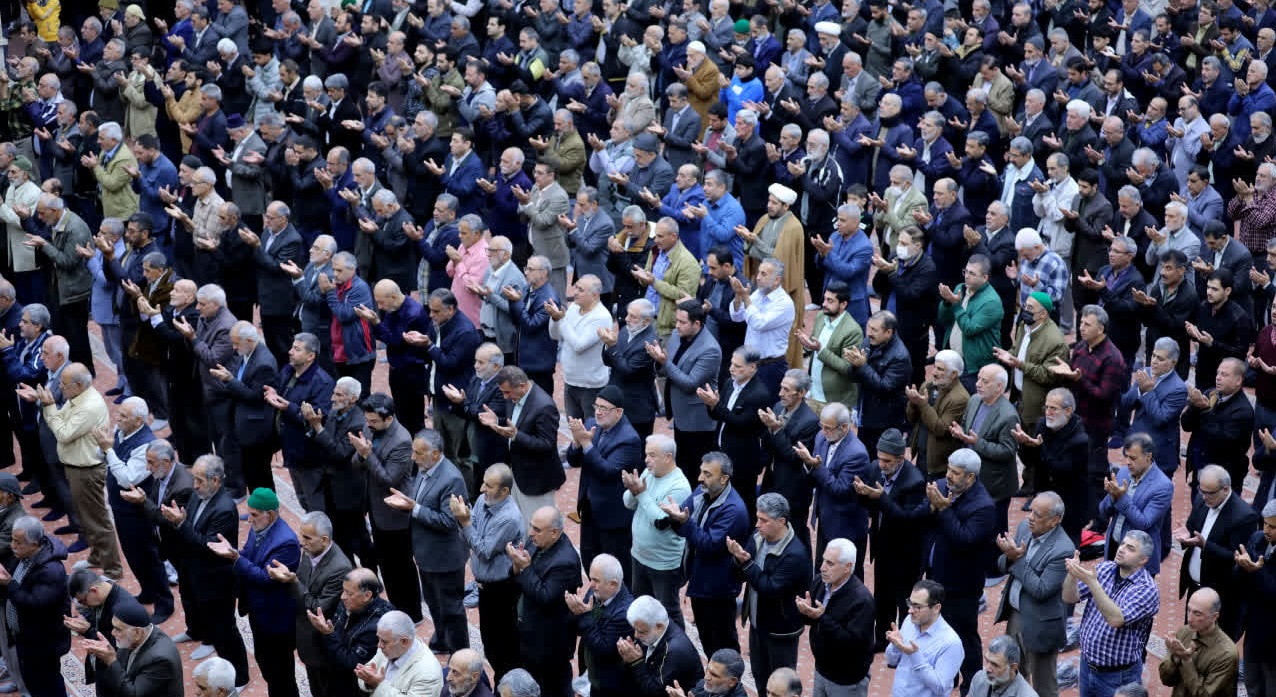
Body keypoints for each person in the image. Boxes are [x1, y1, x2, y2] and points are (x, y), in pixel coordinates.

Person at [383, 429, 470, 655]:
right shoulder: (425, 469)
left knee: (452, 610)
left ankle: (460, 653)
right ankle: (442, 639)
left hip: (445, 559)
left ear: (435, 454)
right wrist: (408, 504)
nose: (413, 457)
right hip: (426, 554)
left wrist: (414, 508)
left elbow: (449, 521)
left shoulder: (451, 479)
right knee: (434, 604)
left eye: (418, 453)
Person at [207, 487, 301, 697]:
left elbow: (266, 578)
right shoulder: (259, 526)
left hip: (277, 620)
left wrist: (236, 558)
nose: (249, 519)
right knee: (267, 666)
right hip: (259, 613)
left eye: (255, 515)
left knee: (281, 675)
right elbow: (249, 554)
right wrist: (233, 552)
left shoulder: (286, 543)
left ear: (271, 514)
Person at [923, 449, 997, 695]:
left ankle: (972, 686)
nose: (948, 476)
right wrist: (932, 508)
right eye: (948, 469)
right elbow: (924, 518)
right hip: (936, 575)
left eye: (955, 473)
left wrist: (944, 510)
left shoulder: (983, 506)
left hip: (962, 585)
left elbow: (964, 539)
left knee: (964, 637)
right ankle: (948, 678)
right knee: (938, 632)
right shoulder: (942, 487)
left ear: (971, 477)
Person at [661, 452, 750, 657]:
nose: (700, 478)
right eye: (701, 472)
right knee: (708, 639)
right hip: (700, 582)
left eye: (707, 474)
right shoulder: (702, 492)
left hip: (718, 589)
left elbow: (709, 544)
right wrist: (676, 518)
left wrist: (684, 522)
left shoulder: (734, 510)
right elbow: (683, 518)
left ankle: (728, 676)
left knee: (723, 645)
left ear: (724, 478)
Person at [993, 492, 1075, 697]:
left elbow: (1041, 589)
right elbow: (1002, 565)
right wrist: (1009, 557)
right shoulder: (1025, 527)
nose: (1030, 518)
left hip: (1041, 625)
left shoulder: (1063, 549)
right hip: (1016, 616)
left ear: (1055, 520)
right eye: (1031, 511)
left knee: (1044, 687)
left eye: (1037, 515)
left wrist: (1017, 560)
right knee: (1013, 677)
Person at [1063, 530, 1160, 697]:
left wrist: (1093, 583)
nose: (1121, 549)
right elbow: (1069, 597)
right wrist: (1072, 575)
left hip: (1118, 676)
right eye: (1122, 544)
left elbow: (1116, 619)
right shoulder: (1106, 568)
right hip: (1087, 665)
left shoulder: (1147, 589)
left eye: (1130, 548)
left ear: (1143, 560)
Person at [450, 464, 524, 682]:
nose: (482, 489)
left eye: (489, 486)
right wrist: (465, 521)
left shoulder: (509, 518)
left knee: (503, 649)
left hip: (501, 589)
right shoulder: (484, 500)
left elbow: (483, 550)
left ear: (504, 491)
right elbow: (469, 537)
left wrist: (464, 521)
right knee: (489, 642)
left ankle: (507, 687)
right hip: (484, 587)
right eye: (483, 482)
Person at [352, 392, 421, 623]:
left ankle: (412, 614)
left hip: (395, 514)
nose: (368, 425)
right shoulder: (370, 427)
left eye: (373, 421)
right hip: (375, 508)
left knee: (402, 567)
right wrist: (361, 454)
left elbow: (389, 479)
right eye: (368, 420)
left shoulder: (402, 440)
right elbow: (356, 463)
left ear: (389, 418)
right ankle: (395, 607)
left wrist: (367, 454)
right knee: (386, 565)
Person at [727, 492, 809, 683]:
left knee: (781, 685)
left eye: (764, 520)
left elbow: (769, 588)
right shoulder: (758, 538)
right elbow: (739, 575)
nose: (757, 524)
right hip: (758, 625)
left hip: (780, 631)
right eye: (757, 518)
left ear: (781, 521)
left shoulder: (794, 554)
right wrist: (737, 559)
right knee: (760, 678)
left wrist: (746, 563)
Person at [271, 511, 352, 697]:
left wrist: (292, 582)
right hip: (306, 640)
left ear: (324, 540)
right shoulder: (311, 551)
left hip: (323, 647)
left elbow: (318, 608)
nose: (302, 542)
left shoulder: (340, 568)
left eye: (307, 538)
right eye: (302, 536)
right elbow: (303, 581)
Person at [1174, 465, 1259, 640]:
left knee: (1211, 646)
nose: (1204, 496)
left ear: (1225, 489)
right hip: (1195, 588)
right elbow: (1192, 529)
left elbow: (1236, 557)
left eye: (1209, 493)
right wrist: (1186, 535)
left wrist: (1205, 546)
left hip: (1219, 596)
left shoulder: (1245, 516)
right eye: (1201, 490)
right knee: (1190, 638)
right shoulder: (1202, 500)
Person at [507, 506, 581, 697]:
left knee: (551, 688)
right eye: (531, 526)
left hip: (549, 644)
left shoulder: (565, 562)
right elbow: (517, 577)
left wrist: (524, 568)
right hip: (528, 631)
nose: (530, 533)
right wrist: (516, 566)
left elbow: (545, 597)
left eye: (537, 529)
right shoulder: (537, 542)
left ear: (554, 532)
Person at [0, 517, 71, 697]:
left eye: (18, 542)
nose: (12, 546)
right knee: (32, 681)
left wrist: (9, 584)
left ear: (34, 544)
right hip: (25, 637)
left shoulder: (51, 571)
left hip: (43, 642)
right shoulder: (23, 556)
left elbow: (34, 605)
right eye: (13, 540)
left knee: (48, 685)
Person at [798, 538, 876, 697]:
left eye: (830, 563)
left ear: (847, 567)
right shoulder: (820, 582)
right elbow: (813, 621)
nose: (822, 567)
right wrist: (806, 611)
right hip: (821, 669)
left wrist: (822, 617)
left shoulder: (862, 600)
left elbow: (852, 643)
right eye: (823, 560)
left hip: (846, 681)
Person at [1012, 390, 1090, 541]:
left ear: (1068, 411)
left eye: (1053, 408)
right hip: (1044, 497)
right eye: (1046, 407)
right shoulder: (1042, 425)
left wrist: (1039, 447)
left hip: (1069, 505)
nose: (1048, 412)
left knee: (1066, 547)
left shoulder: (1080, 439)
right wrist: (1025, 444)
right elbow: (1031, 461)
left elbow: (1060, 471)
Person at [1097, 433, 1174, 576]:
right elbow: (1103, 511)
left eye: (1133, 458)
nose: (1127, 462)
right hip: (1115, 547)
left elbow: (1144, 523)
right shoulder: (1123, 473)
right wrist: (1112, 497)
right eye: (1126, 456)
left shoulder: (1163, 486)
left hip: (1137, 559)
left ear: (1148, 457)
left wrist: (1120, 498)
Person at [307, 568, 392, 697]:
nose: (343, 597)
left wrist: (328, 634)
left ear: (367, 596)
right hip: (334, 676)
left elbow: (351, 663)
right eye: (343, 590)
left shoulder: (377, 626)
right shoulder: (349, 603)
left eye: (349, 593)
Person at [81, 599, 183, 697]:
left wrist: (111, 660)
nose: (112, 633)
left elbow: (133, 694)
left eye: (118, 629)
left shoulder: (160, 659)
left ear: (137, 633)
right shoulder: (133, 636)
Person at [567, 554, 635, 697]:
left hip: (610, 686)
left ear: (613, 584)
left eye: (596, 580)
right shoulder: (598, 590)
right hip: (593, 673)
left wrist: (583, 615)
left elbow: (603, 648)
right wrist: (575, 609)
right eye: (591, 578)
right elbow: (580, 627)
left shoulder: (624, 614)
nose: (591, 585)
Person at [884, 579, 964, 697]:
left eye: (917, 606)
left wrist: (914, 655)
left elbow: (940, 688)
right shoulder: (909, 621)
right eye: (910, 603)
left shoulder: (951, 643)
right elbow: (891, 661)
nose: (910, 610)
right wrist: (895, 645)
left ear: (936, 608)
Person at [1157, 587, 1239, 697]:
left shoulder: (1227, 654)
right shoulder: (1184, 632)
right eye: (1188, 610)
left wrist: (1186, 660)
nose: (1190, 618)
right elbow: (1166, 680)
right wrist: (1175, 658)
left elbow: (1203, 695)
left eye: (1197, 614)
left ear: (1214, 617)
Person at [618, 595, 704, 697]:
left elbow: (656, 691)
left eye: (641, 632)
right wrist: (628, 658)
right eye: (635, 629)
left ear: (659, 626)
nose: (636, 635)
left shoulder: (675, 651)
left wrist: (636, 662)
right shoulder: (653, 629)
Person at [1235, 499, 1276, 697]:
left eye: (1273, 527)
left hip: (1274, 636)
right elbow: (1239, 577)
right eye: (1265, 523)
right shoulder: (1258, 539)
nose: (1266, 530)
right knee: (1252, 682)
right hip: (1253, 627)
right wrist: (1241, 566)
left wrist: (1255, 571)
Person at [356, 611, 443, 697]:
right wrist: (368, 680)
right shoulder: (388, 645)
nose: (379, 645)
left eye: (384, 641)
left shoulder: (428, 674)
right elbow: (370, 670)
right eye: (379, 639)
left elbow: (377, 683)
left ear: (404, 642)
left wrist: (378, 685)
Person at [964, 636, 1039, 697]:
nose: (987, 669)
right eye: (987, 661)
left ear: (1013, 667)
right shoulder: (979, 678)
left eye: (995, 665)